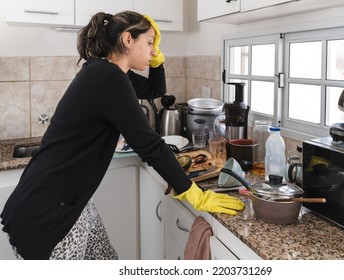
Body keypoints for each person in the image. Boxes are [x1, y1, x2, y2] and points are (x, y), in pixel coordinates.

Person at [0, 11, 245, 260]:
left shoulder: (111, 73)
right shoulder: (108, 77)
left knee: (108, 261)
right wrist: (194, 194)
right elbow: (149, 145)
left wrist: (157, 61)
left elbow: (155, 90)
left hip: (73, 205)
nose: (153, 49)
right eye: (150, 42)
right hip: (47, 214)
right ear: (128, 39)